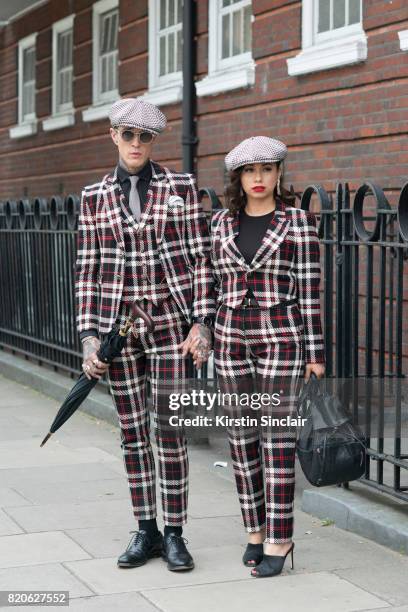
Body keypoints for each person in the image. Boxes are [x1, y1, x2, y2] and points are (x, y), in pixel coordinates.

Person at [75, 97, 215, 572]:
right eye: (128, 135)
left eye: (145, 137)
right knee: (133, 433)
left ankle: (174, 533)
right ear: (113, 135)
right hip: (120, 330)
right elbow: (88, 272)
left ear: (155, 140)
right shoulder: (94, 197)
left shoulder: (181, 187)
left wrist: (201, 322)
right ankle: (146, 530)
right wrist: (90, 337)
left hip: (170, 326)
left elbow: (201, 262)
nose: (136, 144)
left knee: (170, 431)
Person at [210, 136, 326, 578]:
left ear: (279, 174)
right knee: (241, 438)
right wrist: (206, 330)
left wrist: (315, 353)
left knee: (276, 439)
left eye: (267, 169)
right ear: (238, 177)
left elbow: (311, 293)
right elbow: (211, 283)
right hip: (230, 335)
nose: (258, 179)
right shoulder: (221, 223)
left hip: (282, 334)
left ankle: (281, 536)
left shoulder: (298, 222)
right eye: (249, 171)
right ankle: (254, 532)